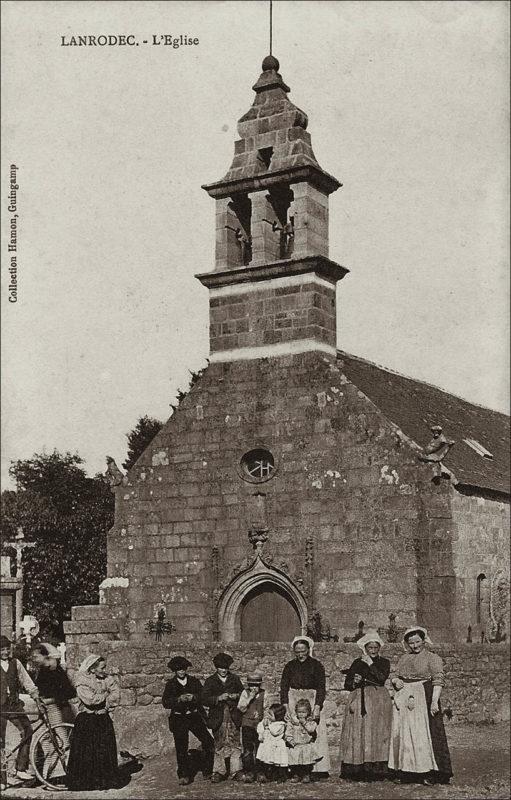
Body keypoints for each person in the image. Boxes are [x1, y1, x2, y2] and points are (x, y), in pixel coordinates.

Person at [389, 626, 453, 785]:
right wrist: (396, 681)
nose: (415, 646)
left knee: (423, 735)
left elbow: (438, 680)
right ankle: (408, 771)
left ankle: (429, 771)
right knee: (406, 734)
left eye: (417, 641)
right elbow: (395, 676)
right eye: (411, 643)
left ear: (423, 640)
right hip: (405, 699)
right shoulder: (404, 658)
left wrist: (434, 702)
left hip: (424, 696)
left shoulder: (432, 658)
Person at [339, 630, 392, 781]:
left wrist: (370, 664)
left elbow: (381, 678)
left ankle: (376, 769)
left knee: (376, 732)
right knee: (358, 732)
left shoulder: (384, 662)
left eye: (376, 648)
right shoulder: (357, 662)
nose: (373, 651)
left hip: (377, 700)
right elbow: (347, 684)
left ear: (379, 648)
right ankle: (357, 769)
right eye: (370, 648)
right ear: (365, 648)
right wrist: (354, 681)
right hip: (359, 698)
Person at [66, 653, 122, 791]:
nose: (104, 670)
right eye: (102, 668)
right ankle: (87, 783)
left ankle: (105, 781)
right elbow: (89, 700)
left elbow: (116, 694)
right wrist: (105, 696)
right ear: (92, 669)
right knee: (88, 752)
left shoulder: (107, 678)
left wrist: (106, 705)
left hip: (103, 718)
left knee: (104, 750)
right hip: (87, 720)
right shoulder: (82, 680)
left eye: (105, 667)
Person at [280, 635, 330, 778]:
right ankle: (295, 768)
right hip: (294, 700)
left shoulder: (317, 665)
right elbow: (283, 687)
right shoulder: (289, 666)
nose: (300, 654)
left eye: (303, 650)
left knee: (314, 733)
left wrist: (317, 706)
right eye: (297, 651)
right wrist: (286, 707)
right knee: (295, 732)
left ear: (308, 649)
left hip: (312, 700)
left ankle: (316, 768)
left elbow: (321, 687)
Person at [161, 656, 214, 785]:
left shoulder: (194, 681)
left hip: (194, 716)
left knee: (208, 741)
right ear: (175, 671)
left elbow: (203, 696)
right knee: (181, 746)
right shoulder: (171, 684)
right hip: (179, 718)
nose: (182, 671)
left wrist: (194, 697)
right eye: (179, 670)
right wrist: (178, 699)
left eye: (183, 669)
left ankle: (208, 770)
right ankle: (184, 775)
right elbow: (165, 702)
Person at [0, 634, 40, 785]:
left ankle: (21, 769)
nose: (5, 652)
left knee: (28, 731)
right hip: (0, 707)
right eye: (2, 650)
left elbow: (27, 681)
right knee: (1, 741)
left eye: (6, 649)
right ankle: (1, 779)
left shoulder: (15, 663)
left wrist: (36, 696)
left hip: (14, 705)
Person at [202, 652, 243, 783]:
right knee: (219, 744)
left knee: (235, 743)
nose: (223, 670)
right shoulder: (210, 681)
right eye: (221, 668)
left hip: (233, 715)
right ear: (216, 668)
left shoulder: (235, 679)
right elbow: (204, 699)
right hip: (218, 717)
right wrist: (218, 698)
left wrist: (235, 696)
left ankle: (236, 770)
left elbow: (243, 694)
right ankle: (219, 771)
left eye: (225, 668)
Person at [237, 672, 268, 783]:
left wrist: (264, 719)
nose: (254, 688)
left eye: (256, 685)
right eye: (251, 685)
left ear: (260, 685)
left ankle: (260, 771)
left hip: (259, 724)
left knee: (260, 748)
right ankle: (249, 771)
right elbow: (240, 708)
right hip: (247, 724)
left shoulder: (264, 694)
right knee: (248, 749)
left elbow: (267, 708)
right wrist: (250, 698)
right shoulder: (245, 693)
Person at [285, 698, 320, 783]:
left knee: (306, 762)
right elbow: (288, 733)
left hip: (306, 745)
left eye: (303, 712)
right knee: (295, 762)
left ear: (308, 712)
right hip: (296, 745)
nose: (301, 714)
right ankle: (296, 775)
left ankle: (306, 775)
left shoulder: (311, 722)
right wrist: (291, 741)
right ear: (296, 712)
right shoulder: (293, 722)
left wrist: (304, 722)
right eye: (299, 712)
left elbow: (311, 730)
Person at [256, 703, 288, 783]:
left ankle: (280, 776)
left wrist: (268, 726)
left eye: (270, 715)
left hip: (276, 746)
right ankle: (268, 775)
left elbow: (274, 732)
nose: (268, 716)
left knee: (277, 761)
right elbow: (259, 728)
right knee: (267, 760)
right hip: (268, 745)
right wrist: (262, 727)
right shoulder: (268, 722)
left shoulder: (280, 724)